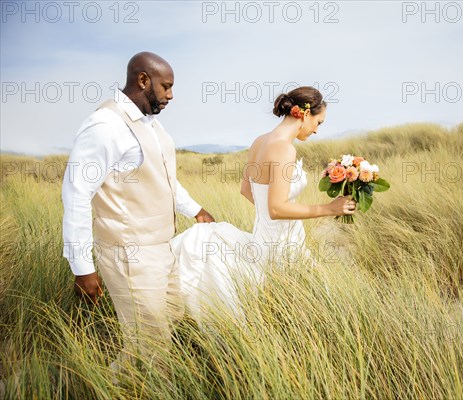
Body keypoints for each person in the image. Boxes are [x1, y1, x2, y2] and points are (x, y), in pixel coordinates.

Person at [61, 52, 215, 367]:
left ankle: (115, 382)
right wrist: (82, 267)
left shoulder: (153, 125)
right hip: (129, 254)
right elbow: (76, 193)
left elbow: (165, 179)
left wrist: (195, 209)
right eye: (166, 86)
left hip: (161, 248)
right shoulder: (105, 125)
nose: (171, 95)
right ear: (143, 80)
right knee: (153, 346)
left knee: (168, 321)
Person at [171, 86, 355, 326]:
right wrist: (330, 208)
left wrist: (270, 214)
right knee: (319, 304)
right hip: (282, 246)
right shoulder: (284, 149)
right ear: (305, 114)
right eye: (319, 122)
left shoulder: (260, 141)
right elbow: (276, 208)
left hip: (263, 237)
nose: (317, 130)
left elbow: (246, 190)